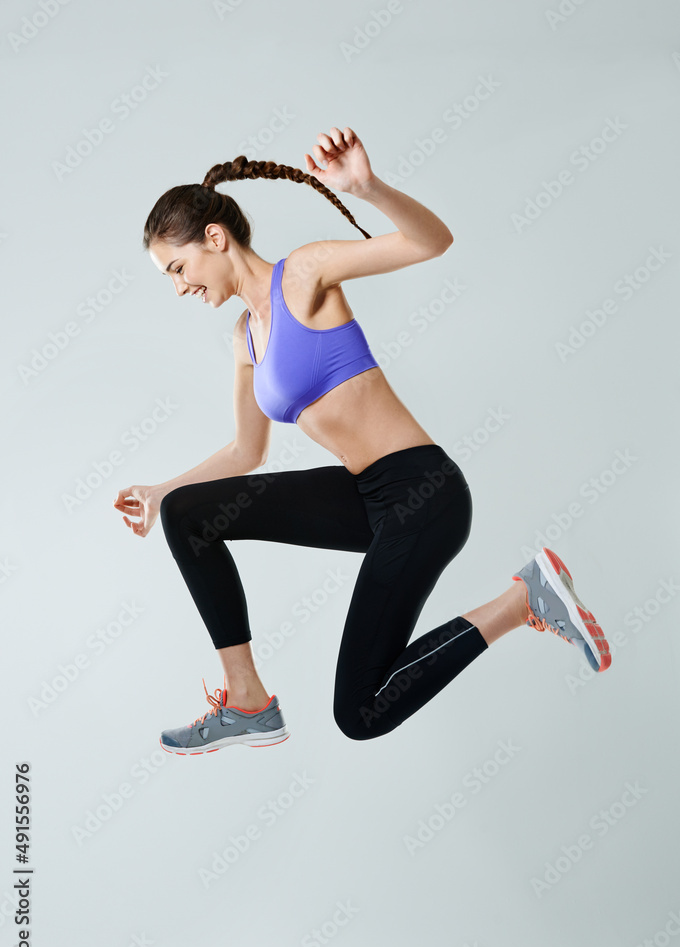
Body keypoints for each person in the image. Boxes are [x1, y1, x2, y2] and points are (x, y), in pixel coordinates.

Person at [113, 126, 611, 756]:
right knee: (188, 514)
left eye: (178, 267)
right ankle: (247, 700)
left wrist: (367, 187)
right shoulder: (245, 338)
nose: (180, 286)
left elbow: (433, 242)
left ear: (215, 239)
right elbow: (246, 454)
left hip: (420, 491)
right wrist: (161, 491)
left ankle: (522, 601)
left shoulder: (305, 273)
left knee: (360, 712)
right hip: (365, 496)